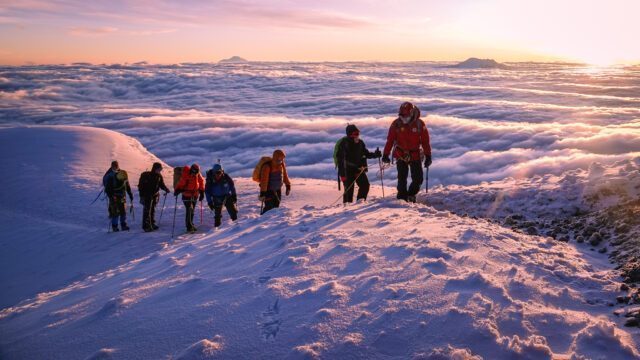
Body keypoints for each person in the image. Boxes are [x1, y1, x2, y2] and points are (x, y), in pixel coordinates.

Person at [382, 102, 432, 203]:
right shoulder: (396, 124)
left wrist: (428, 155)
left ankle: (411, 194)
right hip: (401, 154)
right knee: (402, 178)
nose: (403, 118)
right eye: (401, 115)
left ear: (412, 113)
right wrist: (385, 154)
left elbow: (425, 141)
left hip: (415, 154)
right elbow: (390, 140)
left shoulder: (419, 124)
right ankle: (402, 199)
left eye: (406, 116)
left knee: (418, 179)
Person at [336, 124, 381, 203]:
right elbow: (340, 160)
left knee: (365, 186)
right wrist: (342, 175)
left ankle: (360, 203)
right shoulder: (344, 144)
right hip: (347, 171)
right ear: (350, 134)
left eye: (358, 133)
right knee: (349, 191)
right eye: (355, 134)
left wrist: (375, 155)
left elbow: (366, 154)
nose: (357, 135)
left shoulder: (360, 143)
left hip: (358, 169)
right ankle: (346, 209)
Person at [137, 162, 170, 232]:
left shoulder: (159, 176)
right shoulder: (147, 175)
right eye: (159, 169)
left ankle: (152, 223)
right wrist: (142, 195)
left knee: (152, 209)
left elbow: (161, 184)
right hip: (147, 195)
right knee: (147, 210)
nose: (160, 171)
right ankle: (146, 226)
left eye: (160, 169)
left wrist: (166, 189)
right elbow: (141, 186)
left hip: (155, 195)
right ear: (155, 168)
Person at [103, 160, 134, 232]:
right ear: (112, 166)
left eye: (116, 166)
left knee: (122, 211)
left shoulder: (121, 174)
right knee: (115, 212)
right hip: (115, 196)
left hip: (121, 196)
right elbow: (108, 189)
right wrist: (111, 196)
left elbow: (127, 185)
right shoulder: (111, 176)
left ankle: (122, 225)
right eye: (114, 166)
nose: (115, 167)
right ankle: (116, 226)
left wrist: (130, 194)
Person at [174, 164, 205, 232]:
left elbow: (201, 182)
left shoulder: (197, 174)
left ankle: (191, 224)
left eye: (197, 172)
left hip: (195, 195)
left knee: (192, 210)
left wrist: (202, 192)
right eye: (195, 172)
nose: (195, 174)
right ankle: (189, 226)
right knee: (189, 209)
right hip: (186, 195)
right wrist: (177, 190)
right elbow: (181, 183)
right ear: (192, 170)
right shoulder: (186, 175)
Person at [259, 149, 291, 214]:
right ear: (275, 157)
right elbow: (264, 181)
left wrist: (288, 185)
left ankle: (271, 222)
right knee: (269, 207)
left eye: (282, 158)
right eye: (280, 158)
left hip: (278, 189)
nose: (281, 160)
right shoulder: (267, 167)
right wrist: (263, 193)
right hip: (268, 191)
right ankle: (262, 220)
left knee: (276, 206)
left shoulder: (281, 165)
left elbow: (284, 175)